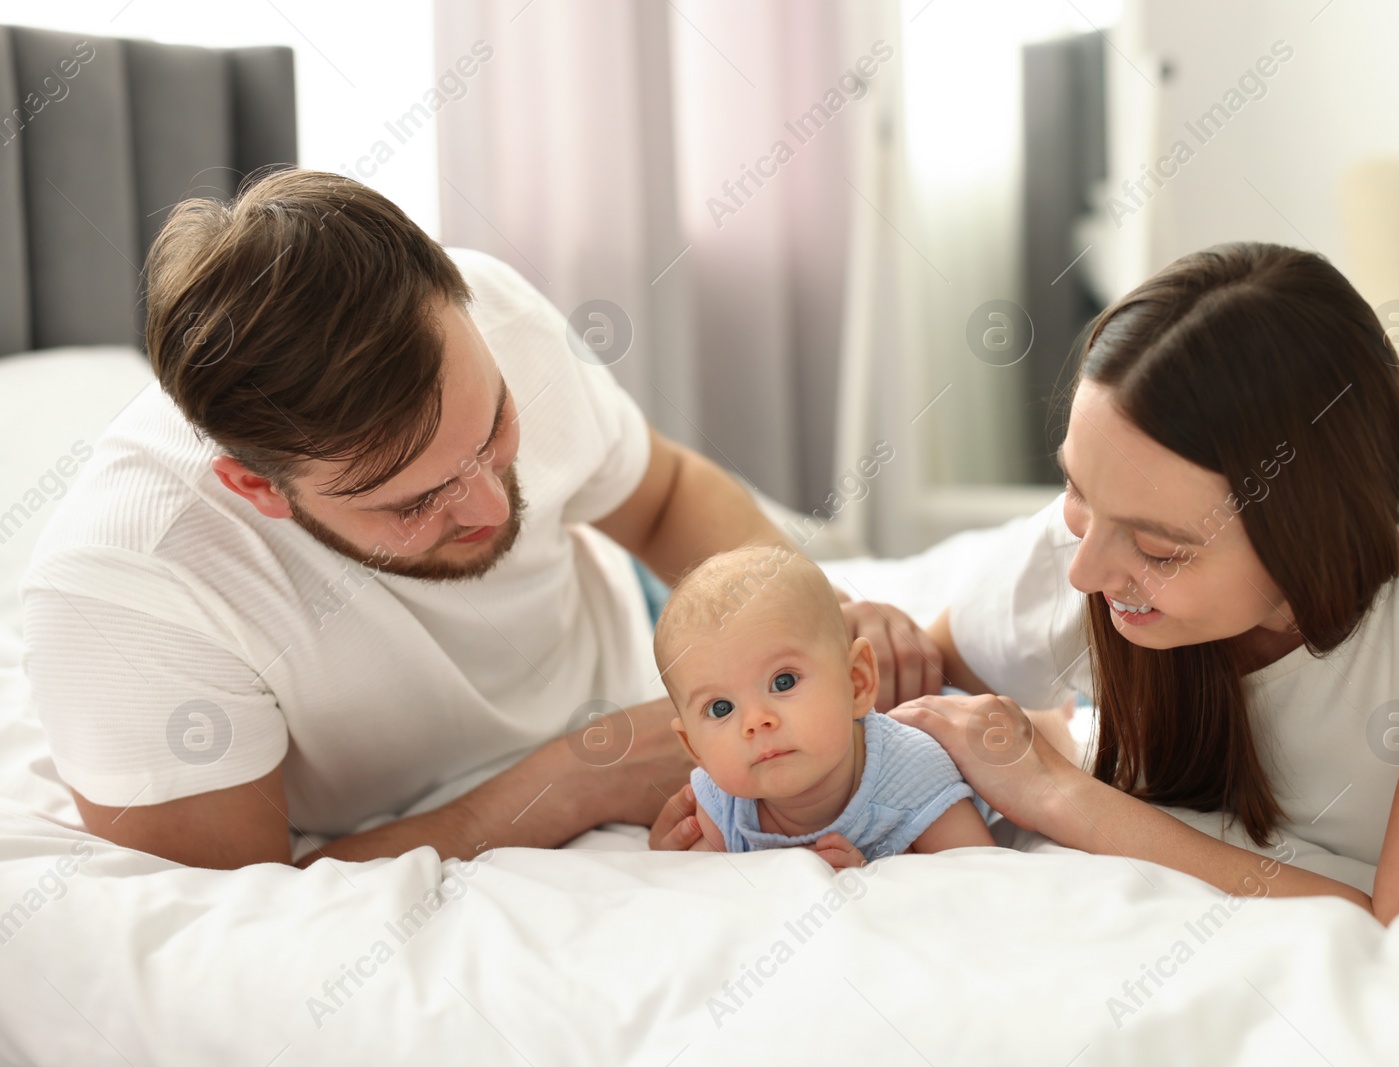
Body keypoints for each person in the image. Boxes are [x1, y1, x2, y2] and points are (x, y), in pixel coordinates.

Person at [653, 242, 1399, 928]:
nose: (1085, 571)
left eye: (1160, 546)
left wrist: (1064, 797)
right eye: (1074, 486)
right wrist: (720, 799)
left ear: (1305, 526)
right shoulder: (1105, 538)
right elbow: (871, 679)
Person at [18, 169, 943, 870]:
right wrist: (573, 779)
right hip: (614, 744)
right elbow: (253, 908)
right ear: (258, 488)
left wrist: (808, 620)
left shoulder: (495, 308)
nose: (494, 508)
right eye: (414, 499)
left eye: (492, 429)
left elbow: (658, 494)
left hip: (667, 637)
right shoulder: (124, 593)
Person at [653, 544, 994, 869]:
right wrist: (675, 862)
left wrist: (877, 880)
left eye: (783, 682)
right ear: (694, 747)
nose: (755, 722)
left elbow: (975, 878)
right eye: (720, 708)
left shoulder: (914, 777)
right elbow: (714, 896)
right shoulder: (721, 806)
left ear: (857, 682)